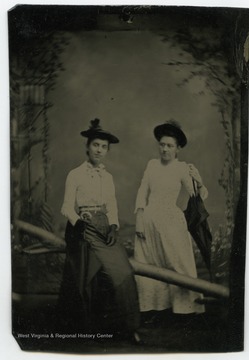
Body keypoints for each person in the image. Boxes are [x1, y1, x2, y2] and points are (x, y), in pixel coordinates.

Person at [57, 119, 140, 342]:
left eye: (104, 147)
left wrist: (114, 226)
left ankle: (128, 327)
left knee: (124, 272)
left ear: (107, 150)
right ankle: (93, 326)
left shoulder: (108, 177)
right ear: (87, 146)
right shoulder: (75, 174)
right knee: (93, 273)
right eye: (95, 145)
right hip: (84, 227)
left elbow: (112, 205)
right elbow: (66, 206)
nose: (99, 150)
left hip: (106, 229)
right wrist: (79, 222)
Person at [134, 120, 208, 324]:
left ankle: (186, 311)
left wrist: (199, 182)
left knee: (178, 263)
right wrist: (139, 217)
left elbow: (197, 197)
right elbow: (142, 191)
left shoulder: (182, 168)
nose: (165, 149)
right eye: (162, 144)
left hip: (171, 220)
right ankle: (155, 309)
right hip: (149, 219)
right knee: (149, 264)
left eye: (170, 145)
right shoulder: (151, 165)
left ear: (178, 149)